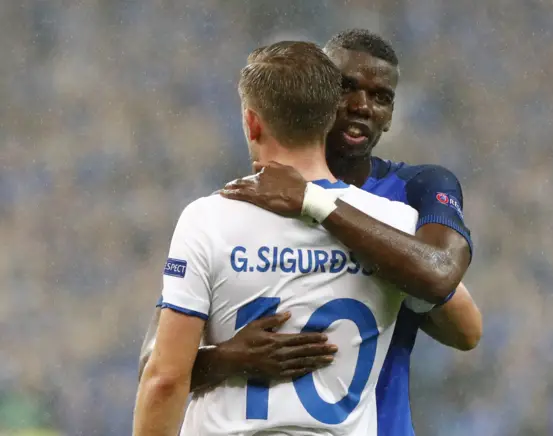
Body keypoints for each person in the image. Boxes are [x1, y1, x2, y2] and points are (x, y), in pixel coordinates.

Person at [140, 29, 482, 436]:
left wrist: (316, 206)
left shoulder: (409, 199)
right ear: (318, 94)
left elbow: (459, 315)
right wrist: (229, 358)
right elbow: (156, 360)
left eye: (381, 97)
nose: (361, 106)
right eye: (346, 88)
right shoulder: (247, 200)